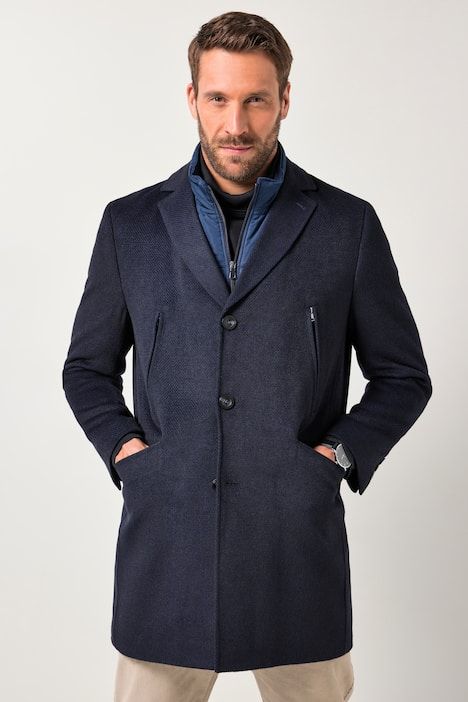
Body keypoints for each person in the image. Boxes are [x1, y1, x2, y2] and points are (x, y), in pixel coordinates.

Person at [62, 10, 432, 702]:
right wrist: (128, 454)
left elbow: (403, 376)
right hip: (166, 546)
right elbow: (86, 367)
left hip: (295, 551)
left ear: (285, 99)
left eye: (256, 99)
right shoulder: (130, 225)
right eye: (219, 98)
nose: (236, 123)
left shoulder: (347, 225)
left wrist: (336, 457)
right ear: (192, 98)